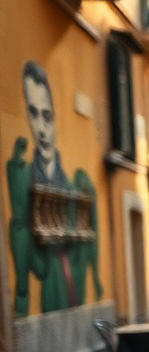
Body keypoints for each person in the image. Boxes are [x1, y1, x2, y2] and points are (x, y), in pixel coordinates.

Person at [8, 60, 103, 316]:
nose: (41, 129)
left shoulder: (75, 185)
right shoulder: (23, 175)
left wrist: (94, 279)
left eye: (47, 116)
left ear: (56, 118)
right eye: (33, 114)